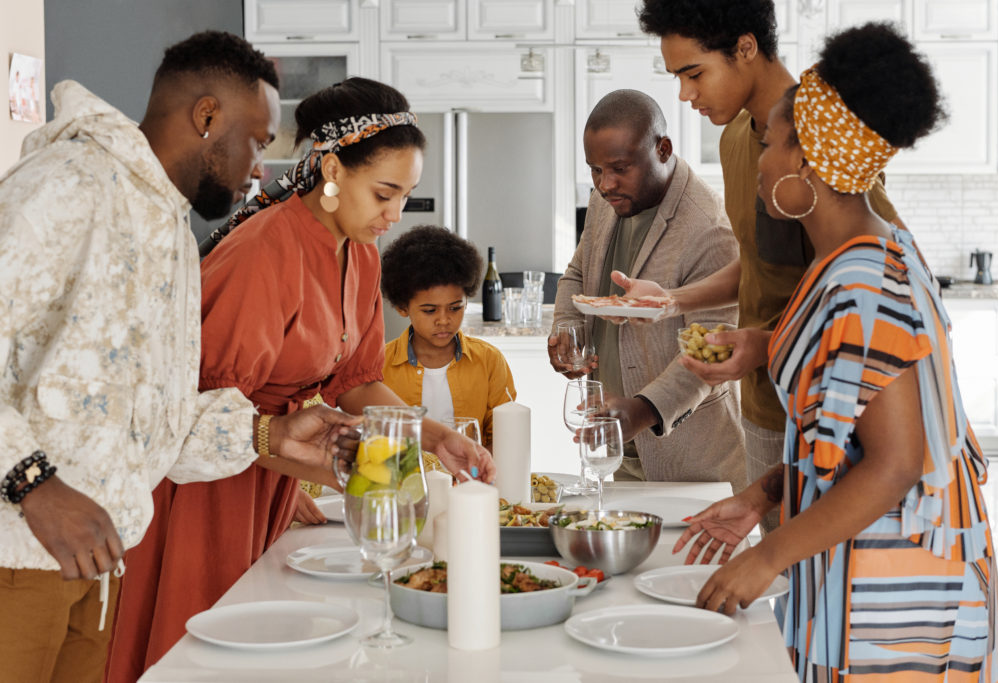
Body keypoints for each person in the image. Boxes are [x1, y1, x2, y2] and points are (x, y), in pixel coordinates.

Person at [106, 78, 496, 683]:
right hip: (207, 485)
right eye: (385, 193)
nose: (395, 215)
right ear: (334, 169)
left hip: (273, 472)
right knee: (208, 653)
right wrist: (301, 464)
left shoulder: (360, 253)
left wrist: (433, 435)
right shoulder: (265, 252)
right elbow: (208, 414)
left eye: (407, 195)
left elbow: (357, 384)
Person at [0, 31, 357, 683]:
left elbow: (149, 417)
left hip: (95, 565)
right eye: (257, 141)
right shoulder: (68, 182)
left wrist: (268, 433)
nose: (261, 169)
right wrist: (34, 484)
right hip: (16, 556)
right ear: (207, 116)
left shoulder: (166, 223)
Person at [675, 23, 998, 680]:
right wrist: (764, 496)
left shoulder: (863, 280)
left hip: (901, 596)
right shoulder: (859, 254)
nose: (761, 161)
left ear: (807, 160)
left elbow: (893, 464)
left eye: (770, 144)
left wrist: (767, 556)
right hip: (866, 566)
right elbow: (850, 398)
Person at [627, 0, 903, 531]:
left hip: (829, 406)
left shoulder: (823, 141)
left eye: (694, 73)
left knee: (821, 573)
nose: (684, 95)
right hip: (760, 404)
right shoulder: (734, 138)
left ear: (746, 48)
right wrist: (672, 300)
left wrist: (764, 344)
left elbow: (877, 279)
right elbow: (757, 262)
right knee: (786, 590)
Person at [549, 89, 745, 491]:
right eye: (595, 170)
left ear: (663, 149)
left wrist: (643, 410)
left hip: (691, 461)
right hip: (615, 448)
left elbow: (713, 348)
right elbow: (577, 273)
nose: (605, 184)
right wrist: (568, 331)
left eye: (619, 168)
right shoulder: (608, 197)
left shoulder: (708, 227)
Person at [380, 225, 517, 451]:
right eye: (430, 310)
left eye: (455, 308)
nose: (444, 320)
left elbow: (504, 436)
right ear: (402, 307)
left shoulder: (489, 360)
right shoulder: (380, 366)